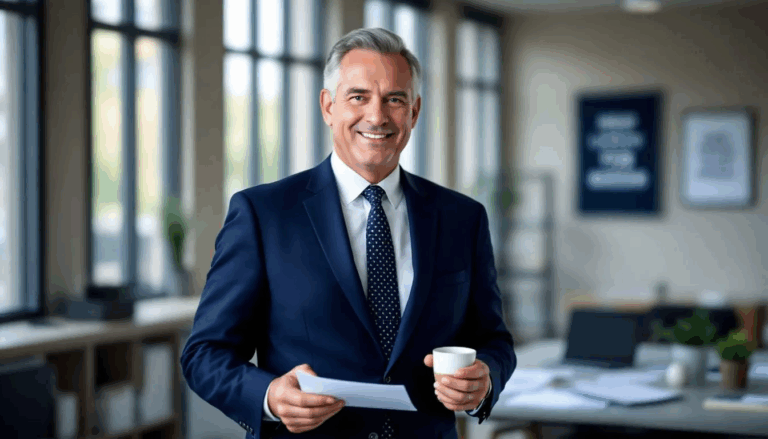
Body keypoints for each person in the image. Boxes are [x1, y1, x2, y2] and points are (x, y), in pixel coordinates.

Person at [180, 27, 516, 439]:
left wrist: (485, 379)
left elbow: (494, 340)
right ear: (328, 106)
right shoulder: (263, 214)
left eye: (395, 99)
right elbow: (204, 353)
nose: (377, 116)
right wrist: (268, 395)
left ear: (414, 112)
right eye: (358, 97)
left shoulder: (463, 218)